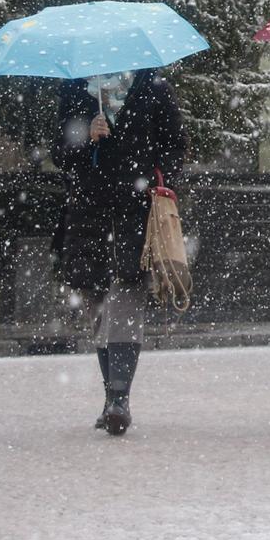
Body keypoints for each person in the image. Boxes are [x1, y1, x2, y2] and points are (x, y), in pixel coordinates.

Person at [51, 67, 187, 436]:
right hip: (88, 213)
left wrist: (157, 180)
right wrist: (85, 139)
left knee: (126, 299)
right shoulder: (75, 87)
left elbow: (176, 144)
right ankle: (112, 396)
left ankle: (119, 399)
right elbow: (59, 154)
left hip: (136, 211)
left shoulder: (152, 85)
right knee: (97, 307)